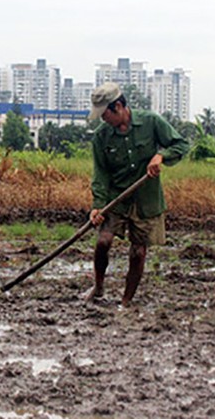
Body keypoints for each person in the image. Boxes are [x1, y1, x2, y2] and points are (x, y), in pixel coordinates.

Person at [84, 82, 189, 307]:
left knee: (138, 251)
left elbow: (181, 144)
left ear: (119, 107)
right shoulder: (102, 137)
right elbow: (100, 174)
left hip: (146, 199)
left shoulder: (151, 122)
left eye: (105, 114)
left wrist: (161, 156)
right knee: (103, 241)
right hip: (116, 198)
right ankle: (99, 286)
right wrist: (97, 205)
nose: (103, 120)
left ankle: (126, 301)